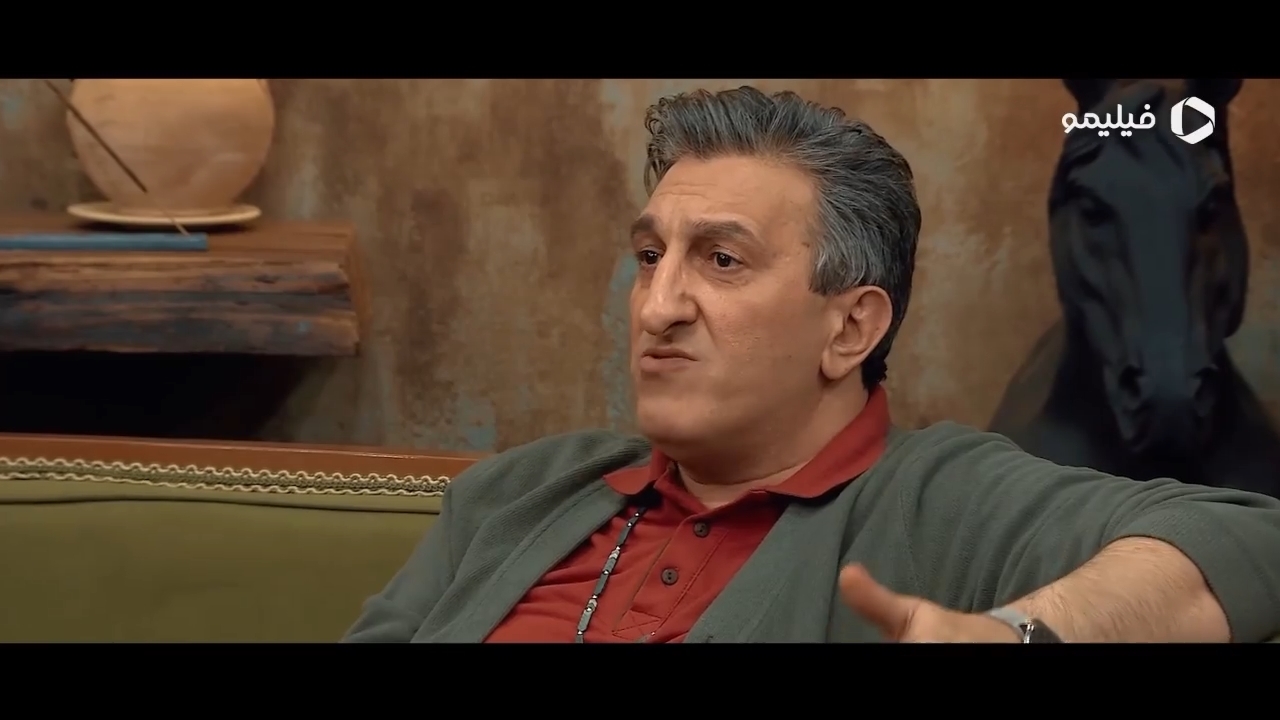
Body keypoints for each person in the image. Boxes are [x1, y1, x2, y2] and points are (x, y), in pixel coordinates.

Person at [344, 86, 1280, 643]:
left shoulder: (944, 497)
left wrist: (1024, 632)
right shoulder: (511, 496)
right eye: (650, 256)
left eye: (721, 260)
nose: (658, 305)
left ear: (851, 329)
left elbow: (1249, 537)